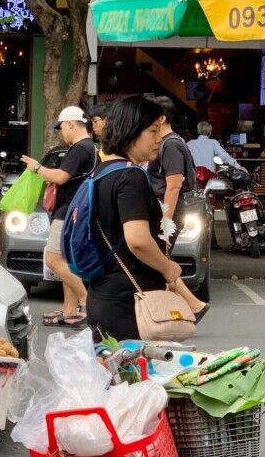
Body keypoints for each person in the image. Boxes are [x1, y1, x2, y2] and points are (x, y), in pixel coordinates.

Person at [86, 96, 208, 341]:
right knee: (134, 378)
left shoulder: (101, 172)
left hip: (105, 296)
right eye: (152, 131)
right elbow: (137, 239)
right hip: (129, 304)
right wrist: (169, 268)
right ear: (130, 131)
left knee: (114, 376)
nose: (158, 138)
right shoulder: (131, 177)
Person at [21, 106, 97, 327]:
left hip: (67, 211)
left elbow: (61, 177)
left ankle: (85, 300)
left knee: (53, 259)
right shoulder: (89, 147)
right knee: (66, 261)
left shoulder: (79, 149)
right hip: (74, 211)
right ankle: (69, 309)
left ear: (71, 124)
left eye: (62, 127)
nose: (61, 132)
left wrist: (37, 168)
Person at [146, 96, 197, 247]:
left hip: (167, 210)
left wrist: (166, 226)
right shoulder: (166, 142)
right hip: (160, 208)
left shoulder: (171, 145)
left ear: (161, 118)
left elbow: (174, 187)